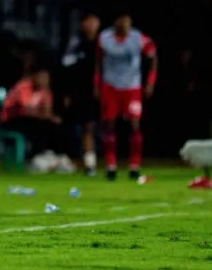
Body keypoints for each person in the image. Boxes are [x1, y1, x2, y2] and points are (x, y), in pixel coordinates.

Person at [95, 11, 156, 181]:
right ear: (115, 21)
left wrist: (150, 81)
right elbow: (98, 62)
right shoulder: (105, 38)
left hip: (132, 87)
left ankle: (134, 165)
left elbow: (152, 56)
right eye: (121, 20)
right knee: (109, 125)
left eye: (127, 20)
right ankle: (110, 165)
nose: (124, 24)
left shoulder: (138, 39)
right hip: (110, 86)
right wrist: (97, 84)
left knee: (134, 124)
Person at [60, 13, 101, 175]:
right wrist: (66, 92)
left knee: (109, 126)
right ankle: (89, 164)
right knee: (87, 127)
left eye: (94, 22)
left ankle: (114, 163)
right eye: (88, 21)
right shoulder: (76, 44)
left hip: (107, 91)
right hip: (82, 92)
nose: (92, 25)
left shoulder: (104, 43)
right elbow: (66, 68)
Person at [0, 67, 60, 154]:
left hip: (31, 120)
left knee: (53, 126)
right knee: (41, 125)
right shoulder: (23, 87)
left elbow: (47, 111)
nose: (44, 80)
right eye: (41, 77)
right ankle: (36, 155)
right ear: (34, 76)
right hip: (11, 120)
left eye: (46, 78)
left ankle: (48, 154)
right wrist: (44, 115)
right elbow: (25, 110)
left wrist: (46, 115)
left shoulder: (46, 92)